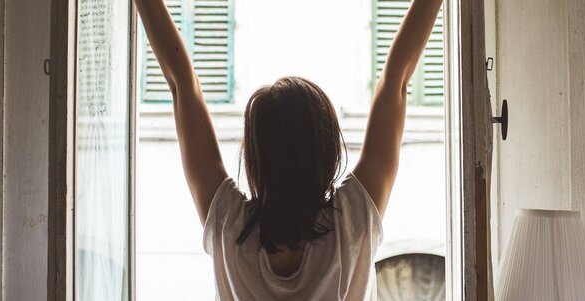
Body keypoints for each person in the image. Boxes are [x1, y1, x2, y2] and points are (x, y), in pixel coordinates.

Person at [134, 0, 443, 299]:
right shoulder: (353, 223)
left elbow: (182, 86)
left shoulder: (228, 228)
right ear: (330, 152)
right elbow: (396, 82)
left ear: (255, 157)